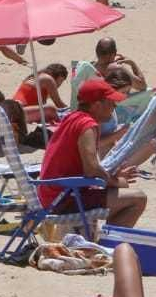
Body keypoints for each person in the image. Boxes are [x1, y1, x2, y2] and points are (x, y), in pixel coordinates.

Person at [37, 78, 148, 227]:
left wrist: (112, 177)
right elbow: (92, 169)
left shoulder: (72, 118)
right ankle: (110, 240)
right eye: (111, 102)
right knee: (138, 198)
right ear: (97, 105)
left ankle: (108, 238)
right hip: (63, 199)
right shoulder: (87, 125)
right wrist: (116, 181)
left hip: (52, 195)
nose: (114, 106)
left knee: (118, 195)